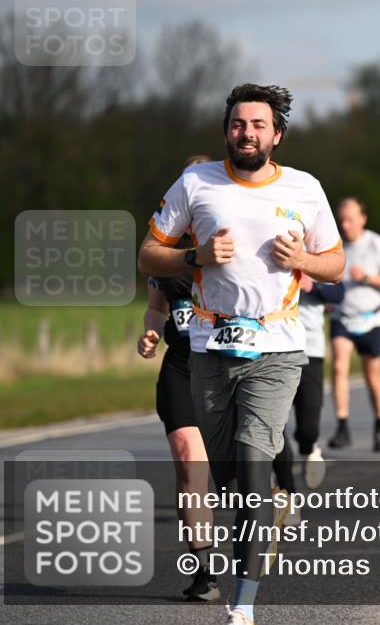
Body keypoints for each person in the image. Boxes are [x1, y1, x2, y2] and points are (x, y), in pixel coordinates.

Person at [137, 84, 344, 625]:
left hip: (277, 349)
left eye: (257, 125)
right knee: (227, 474)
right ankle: (253, 521)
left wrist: (304, 257)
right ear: (225, 130)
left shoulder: (304, 188)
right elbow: (148, 255)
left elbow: (336, 262)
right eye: (237, 124)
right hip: (208, 347)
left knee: (253, 458)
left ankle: (244, 603)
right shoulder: (195, 183)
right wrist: (194, 254)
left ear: (276, 134)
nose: (246, 133)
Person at [137, 154, 218, 602]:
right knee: (190, 462)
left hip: (230, 367)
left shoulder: (233, 236)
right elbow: (155, 306)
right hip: (181, 364)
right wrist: (151, 331)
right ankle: (204, 570)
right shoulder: (162, 250)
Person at [327, 198, 380, 452]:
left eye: (350, 219)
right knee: (338, 367)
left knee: (372, 377)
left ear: (362, 219)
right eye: (341, 220)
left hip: (371, 318)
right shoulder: (335, 246)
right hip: (342, 317)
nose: (345, 225)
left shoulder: (376, 243)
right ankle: (342, 426)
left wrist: (367, 278)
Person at [271, 276, 344, 497]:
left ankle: (309, 448)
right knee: (274, 429)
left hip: (310, 349)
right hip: (273, 349)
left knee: (308, 427)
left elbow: (339, 293)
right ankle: (287, 493)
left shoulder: (317, 253)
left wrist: (312, 286)